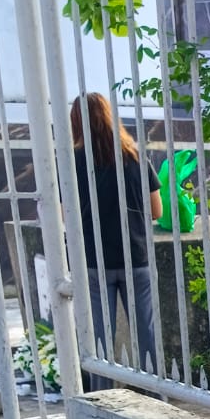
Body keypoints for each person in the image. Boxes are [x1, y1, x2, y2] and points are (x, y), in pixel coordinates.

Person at [71, 92, 161, 370]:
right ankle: (156, 392)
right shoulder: (133, 156)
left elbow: (66, 215)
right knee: (146, 332)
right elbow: (157, 210)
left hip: (95, 260)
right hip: (135, 256)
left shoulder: (72, 161)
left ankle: (102, 395)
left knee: (100, 338)